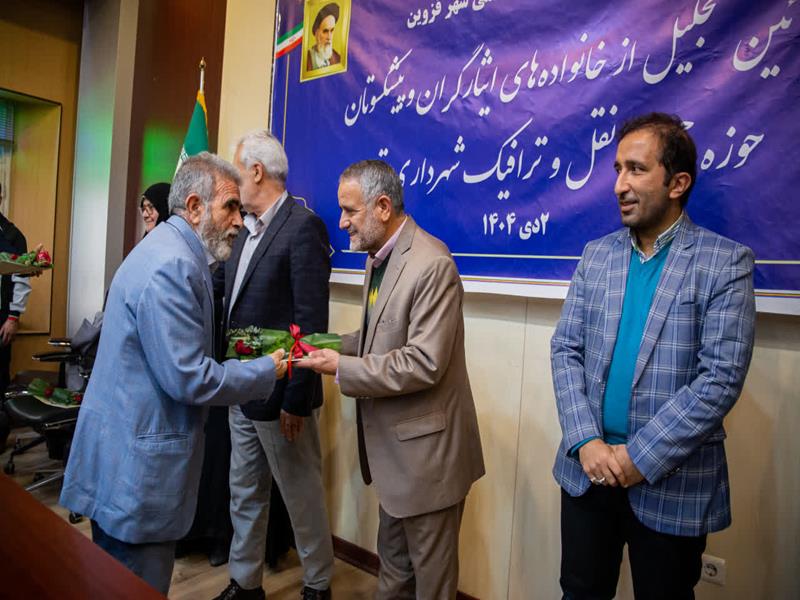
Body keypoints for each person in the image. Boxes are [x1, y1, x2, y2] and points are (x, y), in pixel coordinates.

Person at [60, 153, 287, 595]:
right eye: (230, 207)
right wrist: (265, 371)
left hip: (124, 459)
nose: (239, 221)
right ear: (195, 207)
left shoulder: (168, 249)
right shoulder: (173, 265)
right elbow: (190, 378)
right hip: (136, 474)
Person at [551, 113, 756, 599]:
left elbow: (720, 379)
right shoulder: (597, 255)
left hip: (671, 481)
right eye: (618, 169)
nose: (619, 185)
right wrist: (586, 441)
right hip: (587, 473)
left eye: (636, 170)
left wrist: (639, 457)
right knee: (579, 592)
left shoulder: (725, 263)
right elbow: (565, 349)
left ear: (677, 184)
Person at [300, 160, 485, 599]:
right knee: (394, 577)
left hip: (427, 463)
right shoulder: (378, 259)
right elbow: (377, 337)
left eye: (350, 210)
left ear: (383, 207)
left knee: (431, 587)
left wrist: (340, 368)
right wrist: (324, 344)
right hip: (394, 462)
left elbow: (423, 362)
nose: (341, 222)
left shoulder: (432, 264)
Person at [212, 130, 334, 600]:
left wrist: (297, 400)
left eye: (236, 170)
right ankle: (245, 584)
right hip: (242, 387)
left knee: (301, 497)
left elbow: (311, 322)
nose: (231, 181)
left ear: (257, 172)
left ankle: (318, 585)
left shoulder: (303, 228)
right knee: (244, 493)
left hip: (283, 394)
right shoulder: (244, 230)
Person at [306, 3, 341, 70]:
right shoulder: (306, 59)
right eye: (325, 31)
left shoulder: (338, 58)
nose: (329, 37)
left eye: (332, 30)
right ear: (317, 33)